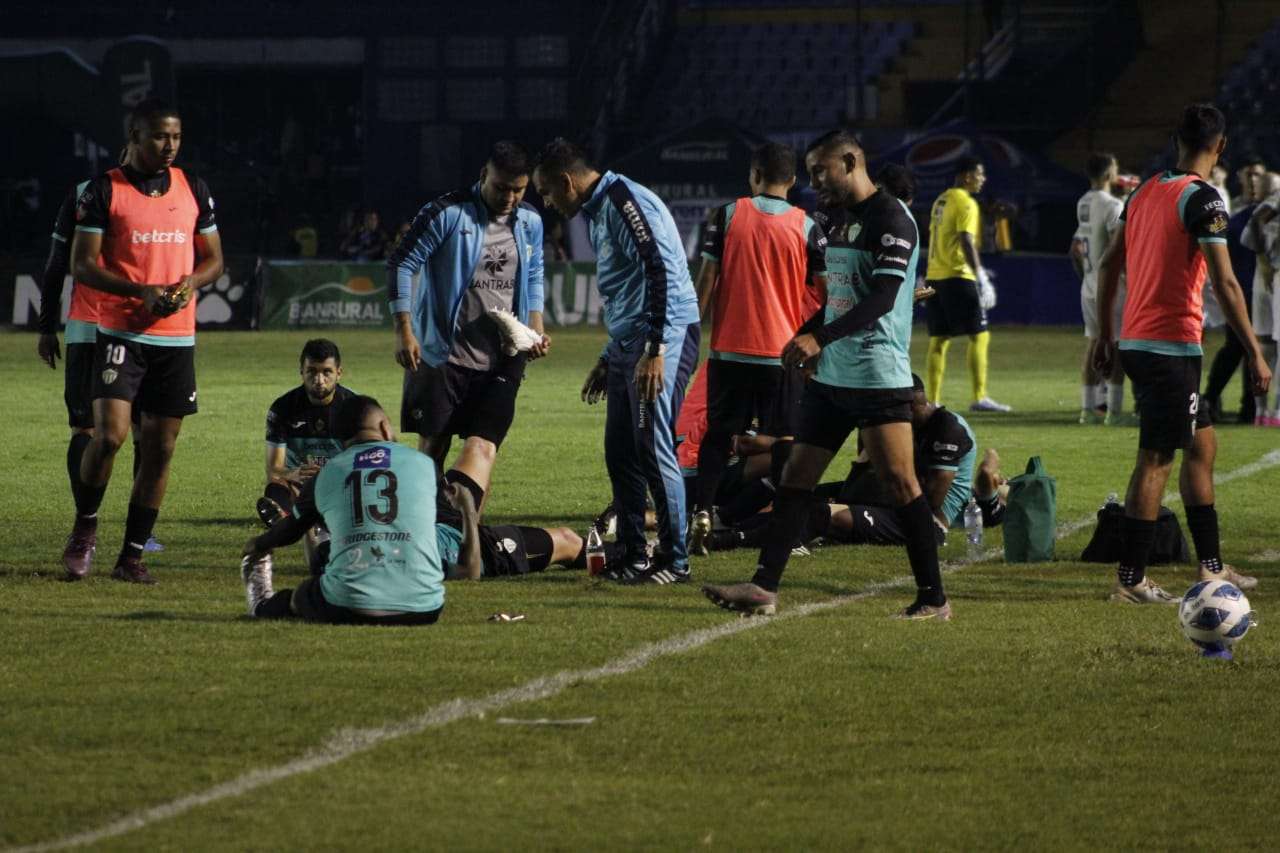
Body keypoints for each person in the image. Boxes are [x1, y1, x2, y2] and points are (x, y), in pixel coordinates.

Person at [701, 129, 950, 620]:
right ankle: (763, 586)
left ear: (852, 161)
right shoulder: (837, 221)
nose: (814, 182)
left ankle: (934, 598)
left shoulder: (892, 218)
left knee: (901, 484)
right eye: (810, 173)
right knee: (796, 478)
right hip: (833, 378)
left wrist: (820, 338)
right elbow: (841, 300)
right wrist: (806, 334)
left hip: (877, 375)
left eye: (821, 171)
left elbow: (880, 300)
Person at [1094, 103, 1271, 605]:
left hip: (1145, 341)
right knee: (1156, 457)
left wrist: (1105, 336)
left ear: (1177, 139)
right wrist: (1256, 353)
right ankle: (1130, 580)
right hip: (1168, 345)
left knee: (1202, 445)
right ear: (1221, 147)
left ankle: (1212, 567)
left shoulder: (1146, 190)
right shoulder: (1203, 199)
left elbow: (1109, 264)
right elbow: (1225, 282)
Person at [61, 98, 223, 584]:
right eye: (159, 136)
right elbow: (82, 263)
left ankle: (131, 557)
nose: (169, 145)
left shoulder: (193, 187)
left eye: (175, 136)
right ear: (134, 137)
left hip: (176, 340)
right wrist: (140, 291)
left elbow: (214, 259)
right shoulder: (104, 192)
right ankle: (85, 528)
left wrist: (188, 285)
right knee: (108, 436)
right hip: (120, 332)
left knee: (161, 449)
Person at [532, 137, 701, 584]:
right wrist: (610, 357)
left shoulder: (625, 202)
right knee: (621, 451)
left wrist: (655, 350)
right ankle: (632, 553)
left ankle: (674, 560)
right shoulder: (598, 209)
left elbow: (660, 272)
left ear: (567, 182)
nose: (547, 203)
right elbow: (629, 288)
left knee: (651, 445)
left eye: (547, 192)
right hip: (631, 342)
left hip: (663, 338)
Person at [388, 141, 548, 510]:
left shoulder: (530, 222)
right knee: (433, 445)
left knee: (483, 449)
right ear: (483, 176)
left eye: (518, 189)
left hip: (504, 357)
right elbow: (402, 263)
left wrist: (535, 326)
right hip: (443, 352)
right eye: (501, 187)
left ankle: (470, 532)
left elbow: (535, 273)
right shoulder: (446, 212)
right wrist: (404, 328)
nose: (510, 197)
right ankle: (426, 523)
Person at [687, 141, 827, 555]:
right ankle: (786, 526)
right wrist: (812, 340)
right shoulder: (806, 227)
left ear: (754, 175)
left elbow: (705, 284)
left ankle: (703, 511)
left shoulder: (728, 215)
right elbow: (825, 294)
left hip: (729, 350)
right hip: (780, 354)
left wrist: (692, 336)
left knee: (718, 435)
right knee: (786, 439)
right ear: (793, 181)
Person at [240, 395, 451, 624]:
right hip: (425, 607)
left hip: (349, 605)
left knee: (301, 595)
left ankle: (261, 604)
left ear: (341, 441)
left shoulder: (328, 473)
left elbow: (289, 532)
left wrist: (258, 544)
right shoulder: (424, 464)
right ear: (384, 426)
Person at [923, 156, 1011, 413]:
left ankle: (934, 400)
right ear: (966, 176)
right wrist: (982, 276)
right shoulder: (967, 203)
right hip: (958, 276)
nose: (983, 179)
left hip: (934, 276)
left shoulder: (940, 200)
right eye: (979, 174)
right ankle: (979, 396)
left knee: (938, 339)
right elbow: (966, 241)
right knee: (980, 336)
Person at [257, 339, 355, 557]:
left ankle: (297, 520)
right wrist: (295, 474)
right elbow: (274, 469)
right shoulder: (282, 409)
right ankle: (291, 518)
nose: (319, 380)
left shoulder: (354, 408)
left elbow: (363, 463)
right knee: (274, 489)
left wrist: (329, 475)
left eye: (326, 372)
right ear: (301, 372)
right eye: (311, 371)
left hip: (341, 484)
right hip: (298, 486)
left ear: (339, 373)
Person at [1071, 152, 1129, 425]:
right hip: (1112, 286)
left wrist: (1086, 274)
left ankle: (1087, 409)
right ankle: (1114, 413)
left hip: (1089, 283)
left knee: (1094, 342)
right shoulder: (1113, 205)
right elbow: (1121, 248)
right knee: (1116, 346)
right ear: (1108, 174)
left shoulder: (1083, 201)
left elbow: (1074, 249)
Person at [1241, 179, 1280, 425]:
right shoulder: (1275, 199)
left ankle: (1261, 412)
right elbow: (1257, 220)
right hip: (1273, 269)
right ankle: (1275, 413)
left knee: (1263, 343)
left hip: (1263, 274)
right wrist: (1265, 261)